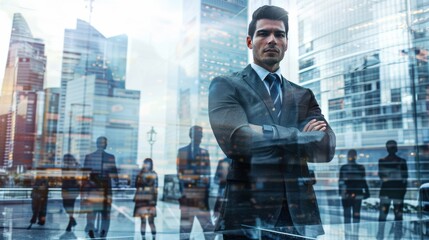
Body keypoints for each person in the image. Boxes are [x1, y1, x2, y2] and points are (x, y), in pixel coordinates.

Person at [208, 5, 336, 239]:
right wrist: (300, 136)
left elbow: (326, 148)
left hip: (299, 218)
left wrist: (261, 132)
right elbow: (238, 140)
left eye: (279, 34)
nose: (272, 40)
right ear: (249, 42)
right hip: (247, 217)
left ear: (286, 43)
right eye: (263, 33)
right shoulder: (226, 85)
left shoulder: (303, 94)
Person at [176, 126, 214, 240]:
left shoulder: (205, 153)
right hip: (187, 198)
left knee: (209, 231)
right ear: (191, 135)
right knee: (185, 232)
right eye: (199, 134)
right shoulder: (182, 152)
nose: (201, 137)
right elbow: (180, 175)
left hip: (201, 199)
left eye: (201, 134)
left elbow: (208, 176)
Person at [82, 136, 118, 239]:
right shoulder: (111, 157)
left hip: (93, 190)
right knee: (105, 215)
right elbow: (114, 175)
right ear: (106, 145)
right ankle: (103, 235)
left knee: (92, 213)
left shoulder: (89, 157)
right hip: (105, 190)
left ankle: (92, 233)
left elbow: (84, 176)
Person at [377, 140, 408, 240]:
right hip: (392, 191)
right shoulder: (384, 161)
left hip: (392, 191)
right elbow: (383, 177)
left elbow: (404, 178)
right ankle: (385, 235)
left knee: (392, 216)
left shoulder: (400, 162)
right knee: (387, 216)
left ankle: (393, 236)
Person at [339, 149, 370, 239]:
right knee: (349, 215)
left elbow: (363, 180)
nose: (352, 157)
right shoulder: (346, 168)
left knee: (355, 214)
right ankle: (349, 236)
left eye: (353, 155)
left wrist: (367, 192)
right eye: (350, 155)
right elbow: (341, 181)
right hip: (349, 194)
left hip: (354, 193)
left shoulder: (358, 167)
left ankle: (354, 236)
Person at [133, 158, 158, 240]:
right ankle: (149, 237)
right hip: (148, 200)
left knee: (147, 221)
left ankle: (149, 237)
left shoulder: (140, 174)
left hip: (144, 200)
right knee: (148, 221)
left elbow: (136, 185)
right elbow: (155, 187)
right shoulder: (151, 174)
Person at [62, 153, 81, 232]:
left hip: (73, 189)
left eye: (65, 159)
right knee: (65, 206)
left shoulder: (76, 167)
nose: (64, 161)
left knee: (70, 206)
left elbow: (79, 179)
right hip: (65, 189)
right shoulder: (64, 168)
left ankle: (70, 223)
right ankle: (72, 220)